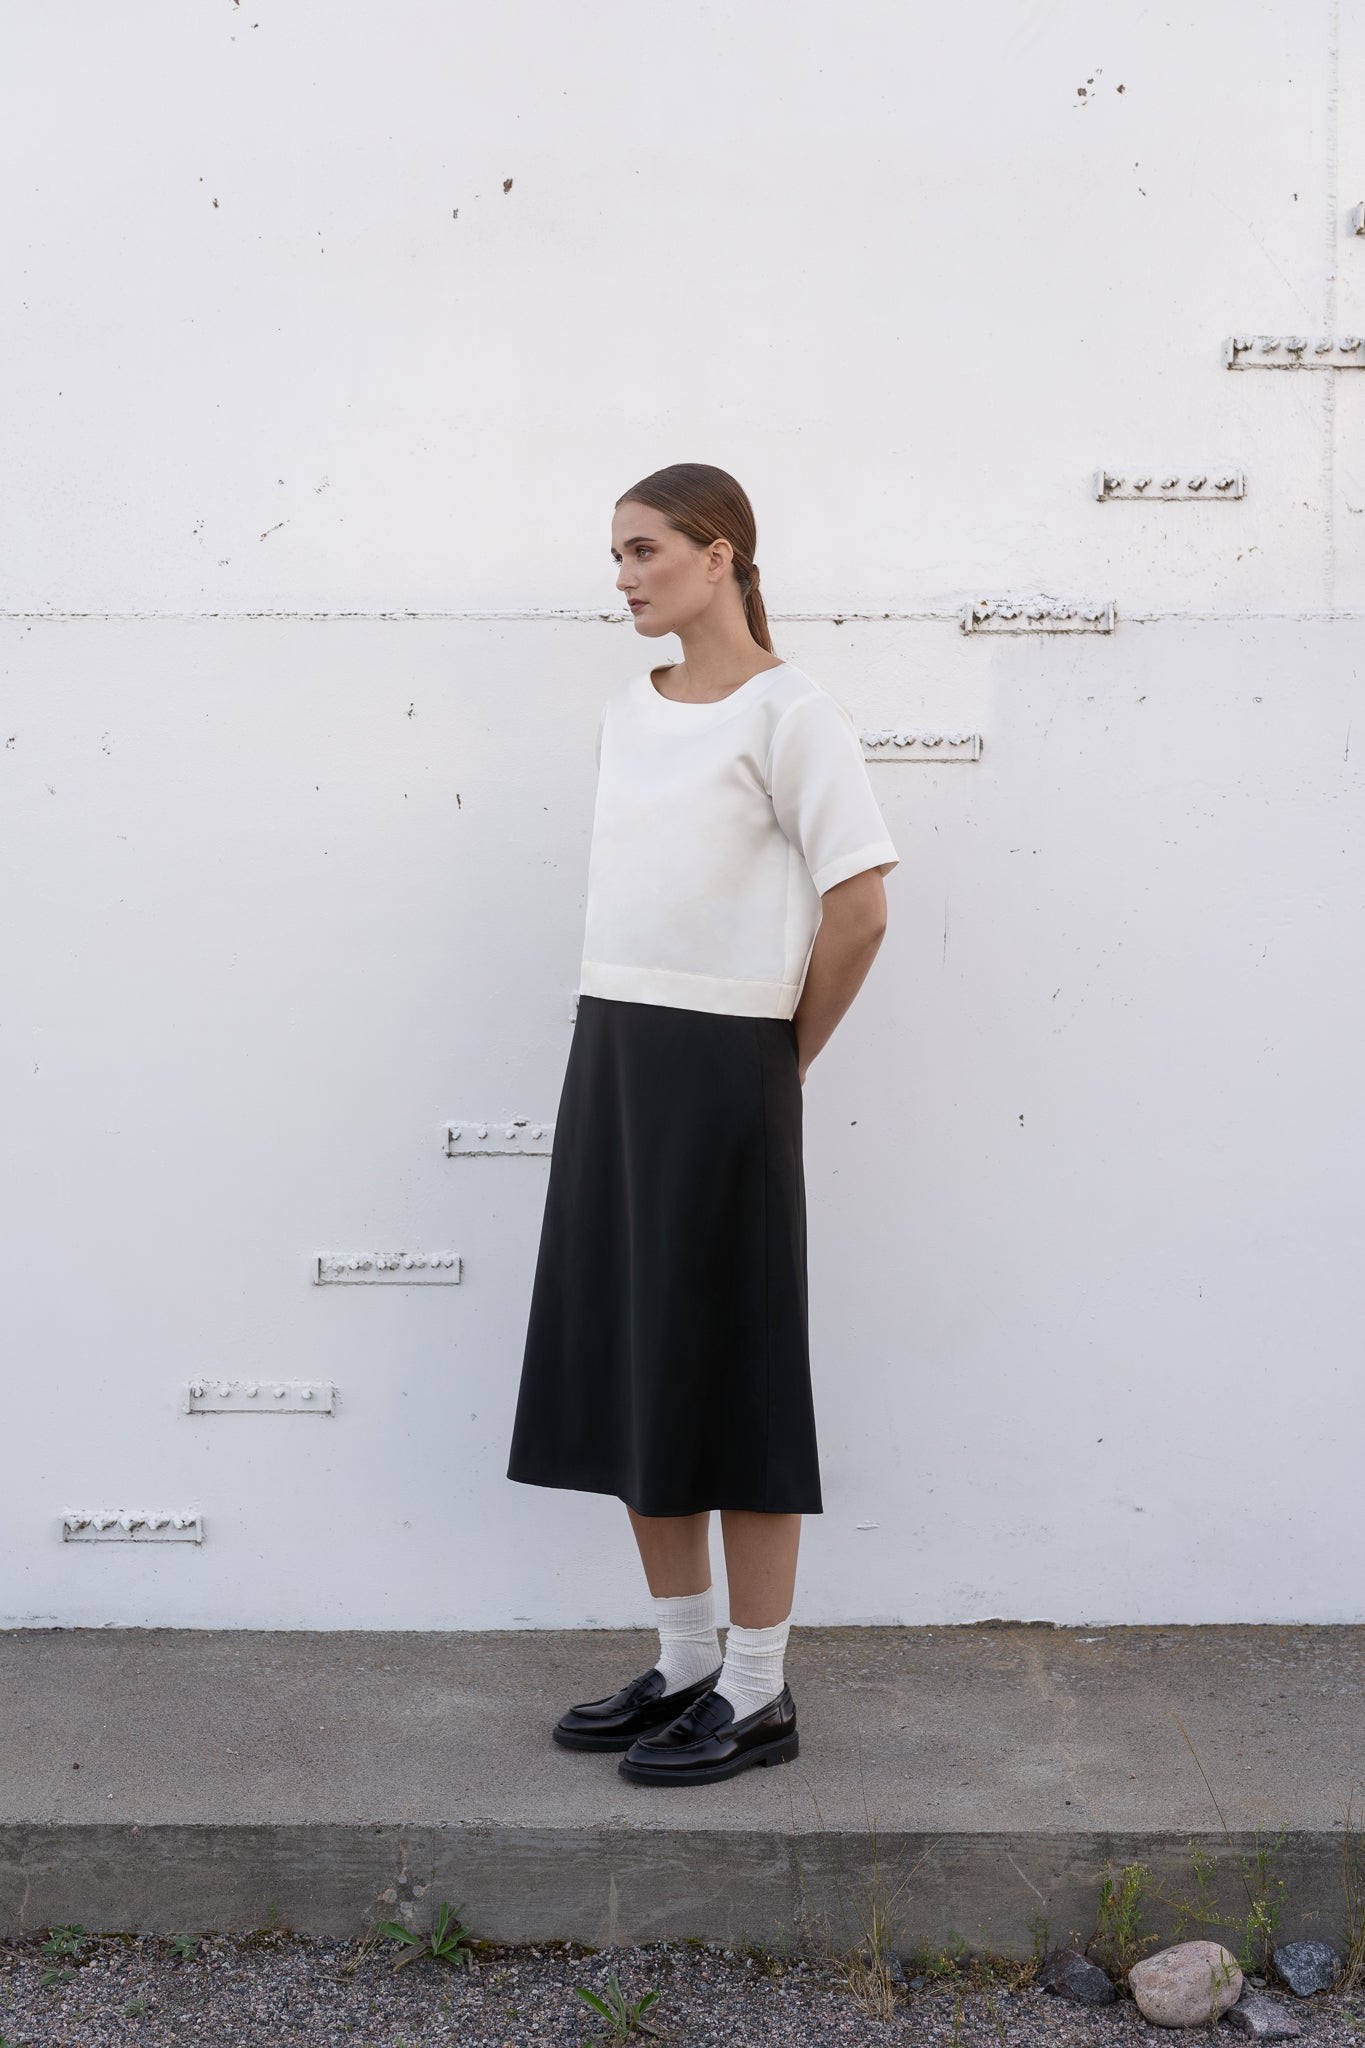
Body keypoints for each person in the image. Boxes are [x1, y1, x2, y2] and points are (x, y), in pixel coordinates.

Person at [506, 461, 899, 1786]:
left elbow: (860, 907)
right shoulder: (629, 710)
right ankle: (682, 1662)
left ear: (718, 554)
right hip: (614, 1043)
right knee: (634, 1353)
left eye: (642, 550)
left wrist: (776, 1055)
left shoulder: (792, 714)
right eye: (614, 556)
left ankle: (758, 1687)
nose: (622, 577)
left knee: (733, 1368)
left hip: (727, 1061)